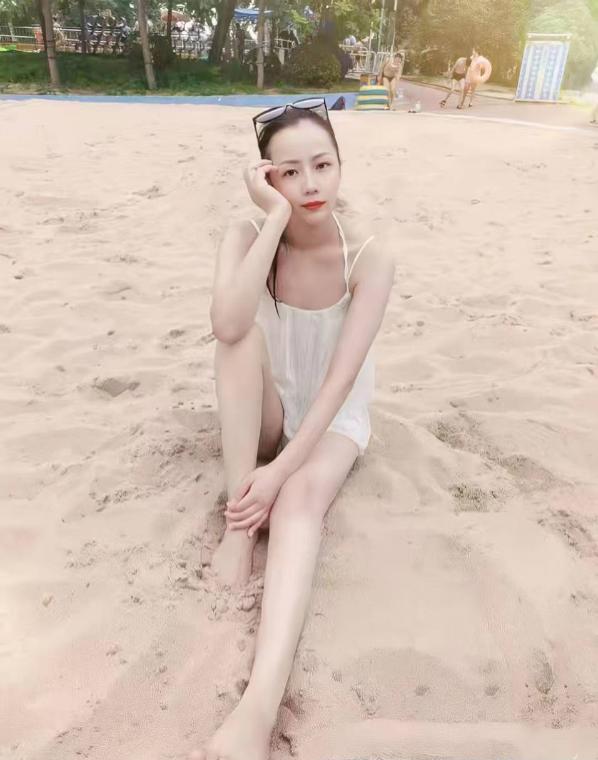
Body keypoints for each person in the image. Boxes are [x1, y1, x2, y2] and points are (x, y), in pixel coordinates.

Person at [191, 98, 394, 760]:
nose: (310, 184)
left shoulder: (369, 255)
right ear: (266, 177)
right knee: (238, 340)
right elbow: (227, 326)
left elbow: (339, 385)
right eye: (290, 172)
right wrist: (274, 220)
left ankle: (258, 707)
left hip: (334, 418)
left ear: (340, 166)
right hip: (272, 406)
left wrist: (281, 471)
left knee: (300, 500)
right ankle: (237, 525)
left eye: (323, 165)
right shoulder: (246, 234)